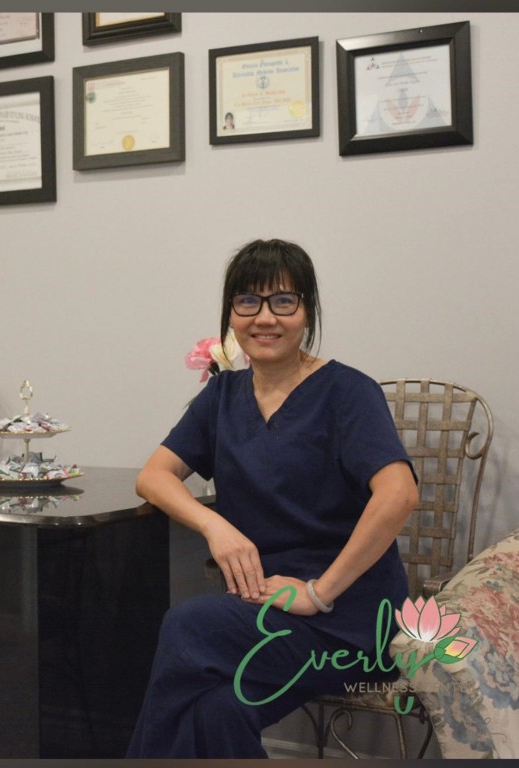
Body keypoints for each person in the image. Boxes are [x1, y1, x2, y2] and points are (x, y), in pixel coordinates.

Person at [126, 238, 419, 758]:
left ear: (307, 310)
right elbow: (154, 476)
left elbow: (399, 494)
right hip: (265, 614)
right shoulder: (223, 395)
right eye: (248, 301)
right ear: (230, 313)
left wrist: (318, 593)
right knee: (218, 709)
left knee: (188, 627)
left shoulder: (348, 392)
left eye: (283, 301)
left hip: (350, 624)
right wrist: (215, 526)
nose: (265, 317)